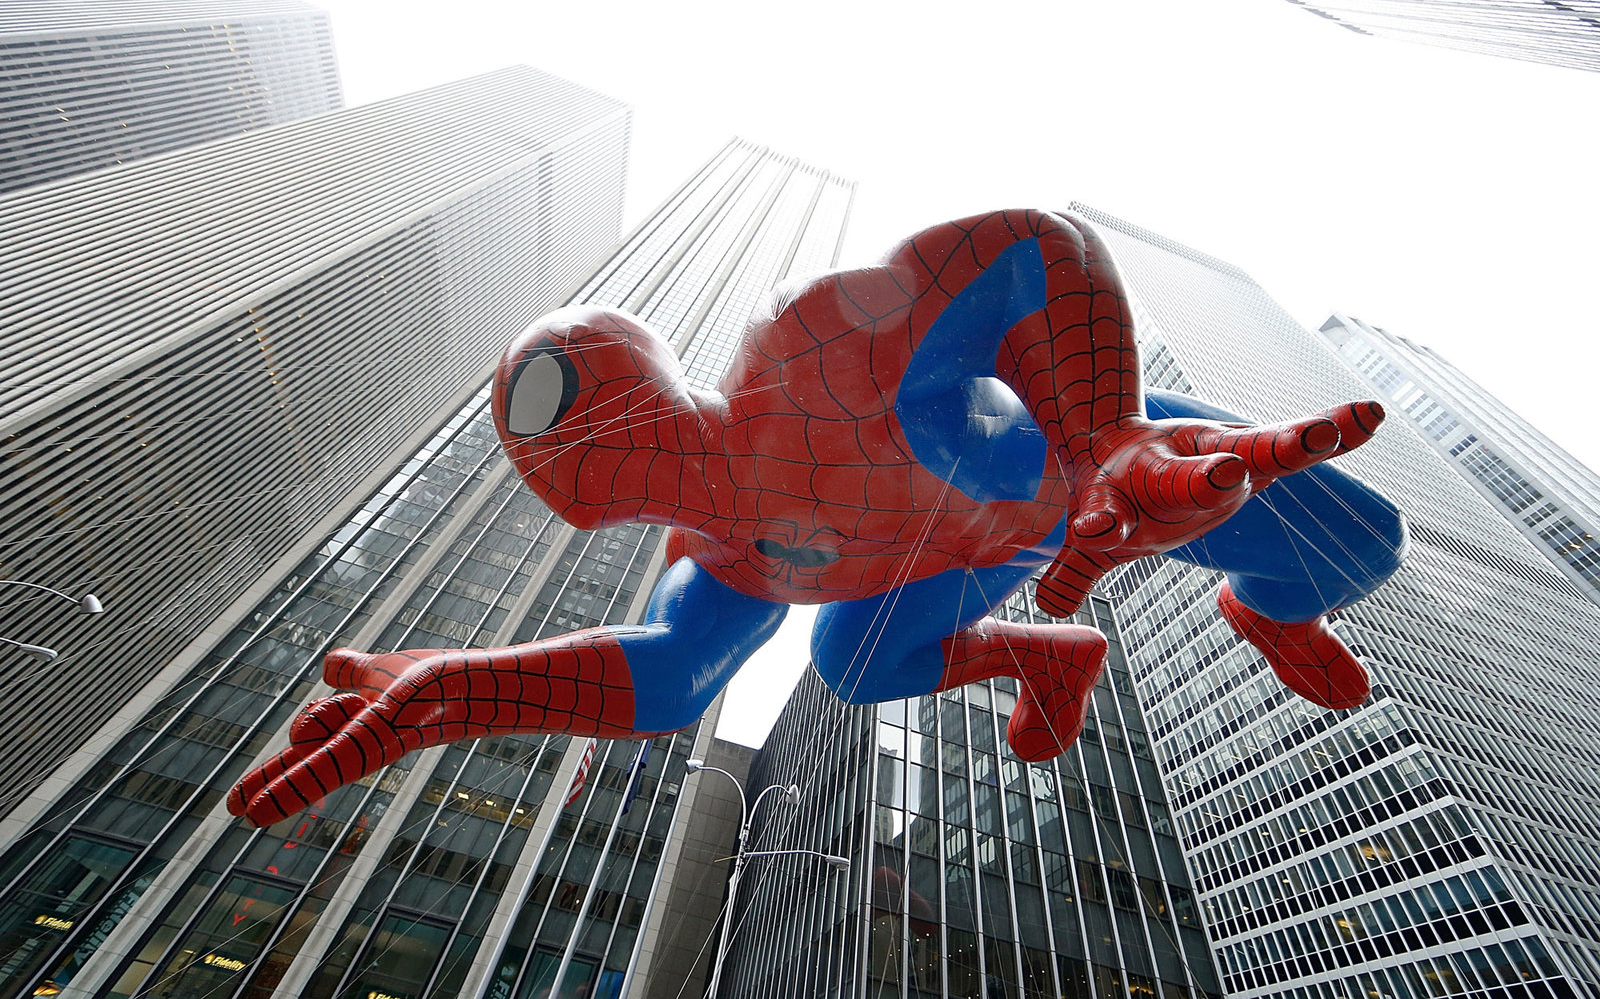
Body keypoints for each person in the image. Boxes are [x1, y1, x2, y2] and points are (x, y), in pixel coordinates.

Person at [229, 209, 1404, 827]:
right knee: (852, 660)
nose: (541, 432)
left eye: (544, 393)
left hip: (1098, 471)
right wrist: (460, 690)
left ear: (626, 365)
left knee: (1364, 544)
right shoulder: (723, 559)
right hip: (1000, 555)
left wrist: (1106, 435)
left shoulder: (809, 355)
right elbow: (678, 679)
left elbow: (1031, 247)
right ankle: (1056, 655)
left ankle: (1264, 613)